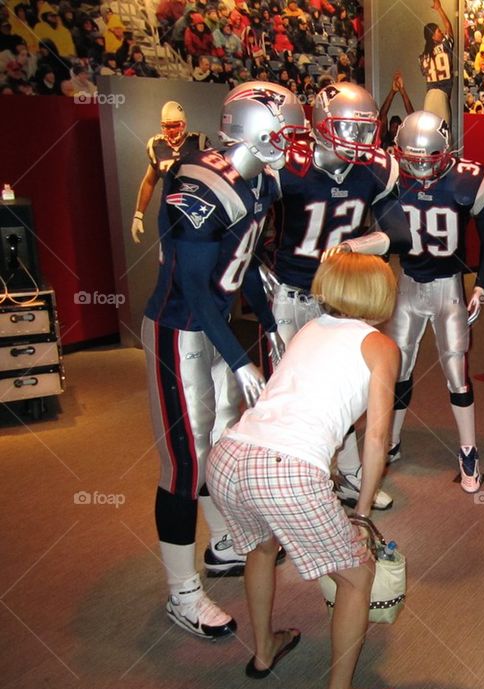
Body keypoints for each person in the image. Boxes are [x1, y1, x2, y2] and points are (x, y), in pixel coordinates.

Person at [141, 82, 306, 638]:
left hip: (214, 326)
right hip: (179, 329)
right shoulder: (200, 182)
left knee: (220, 443)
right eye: (285, 133)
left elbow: (245, 261)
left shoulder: (259, 180)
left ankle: (222, 543)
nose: (292, 144)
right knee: (184, 464)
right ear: (257, 132)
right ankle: (181, 593)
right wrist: (239, 359)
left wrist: (269, 324)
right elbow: (191, 287)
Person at [206, 252, 399, 689]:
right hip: (285, 471)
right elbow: (376, 439)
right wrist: (362, 514)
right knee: (357, 576)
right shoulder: (380, 346)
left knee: (262, 549)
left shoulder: (310, 328)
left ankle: (264, 650)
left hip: (231, 455)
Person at [264, 81, 411, 511]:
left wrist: (352, 246)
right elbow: (248, 227)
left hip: (337, 297)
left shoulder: (375, 168)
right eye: (351, 128)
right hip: (289, 293)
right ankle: (283, 479)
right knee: (287, 391)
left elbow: (400, 233)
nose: (361, 141)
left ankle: (347, 473)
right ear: (321, 125)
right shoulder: (288, 165)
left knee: (342, 389)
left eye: (367, 129)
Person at [349, 110, 484, 492]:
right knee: (397, 368)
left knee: (456, 372)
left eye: (426, 160)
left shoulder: (469, 180)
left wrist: (482, 286)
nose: (418, 169)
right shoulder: (390, 177)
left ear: (445, 152)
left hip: (449, 288)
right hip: (407, 284)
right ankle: (392, 440)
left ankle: (468, 449)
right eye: (410, 160)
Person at [132, 101, 211, 244]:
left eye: (175, 126)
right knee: (169, 252)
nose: (171, 131)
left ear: (184, 124)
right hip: (169, 211)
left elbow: (213, 178)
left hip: (197, 208)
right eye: (167, 126)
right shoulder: (156, 146)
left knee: (197, 250)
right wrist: (138, 214)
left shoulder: (199, 143)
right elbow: (149, 182)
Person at [419, 0, 454, 124]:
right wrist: (439, 9)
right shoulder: (445, 46)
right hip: (442, 96)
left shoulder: (423, 56)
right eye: (439, 31)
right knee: (443, 131)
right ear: (433, 36)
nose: (442, 33)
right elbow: (448, 26)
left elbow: (425, 72)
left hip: (429, 96)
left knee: (429, 130)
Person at [378, 71, 414, 149]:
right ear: (389, 128)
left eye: (397, 126)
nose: (395, 129)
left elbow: (412, 117)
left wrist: (402, 90)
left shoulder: (404, 140)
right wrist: (393, 91)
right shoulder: (385, 137)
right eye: (393, 127)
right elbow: (382, 114)